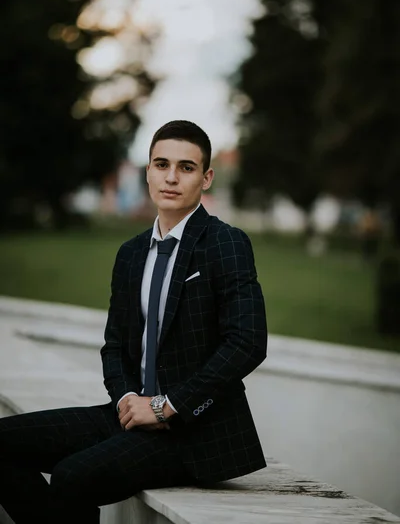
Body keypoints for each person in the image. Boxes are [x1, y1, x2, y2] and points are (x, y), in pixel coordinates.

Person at [0, 120, 268, 524]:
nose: (172, 177)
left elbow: (247, 342)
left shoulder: (225, 243)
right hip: (129, 412)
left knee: (73, 476)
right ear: (147, 172)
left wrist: (165, 407)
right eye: (161, 164)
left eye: (187, 167)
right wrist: (127, 398)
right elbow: (114, 345)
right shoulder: (130, 253)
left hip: (192, 430)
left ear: (206, 177)